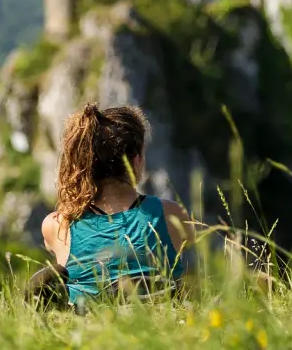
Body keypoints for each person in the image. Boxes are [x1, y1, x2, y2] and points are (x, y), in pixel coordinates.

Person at [28, 104, 192, 307]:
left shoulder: (57, 225)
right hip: (162, 325)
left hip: (90, 333)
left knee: (57, 277)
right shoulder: (171, 214)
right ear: (136, 161)